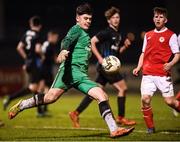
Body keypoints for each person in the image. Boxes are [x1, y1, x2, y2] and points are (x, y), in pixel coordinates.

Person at [8, 3, 134, 138]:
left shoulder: (85, 35)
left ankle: (22, 105)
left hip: (77, 75)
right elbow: (66, 40)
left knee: (51, 98)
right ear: (77, 18)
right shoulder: (76, 29)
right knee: (99, 96)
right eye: (85, 18)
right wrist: (63, 50)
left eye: (90, 19)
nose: (88, 21)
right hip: (70, 72)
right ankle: (114, 129)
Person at [69, 6, 136, 128]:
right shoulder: (106, 32)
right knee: (123, 88)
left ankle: (75, 113)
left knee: (95, 92)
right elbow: (92, 41)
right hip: (106, 67)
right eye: (113, 18)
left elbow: (116, 53)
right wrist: (100, 59)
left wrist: (125, 46)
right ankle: (120, 117)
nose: (116, 19)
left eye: (117, 17)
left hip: (109, 66)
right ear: (108, 20)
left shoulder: (118, 34)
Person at [133, 7, 180, 134]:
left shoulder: (171, 35)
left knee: (170, 102)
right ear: (153, 18)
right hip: (148, 74)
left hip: (162, 74)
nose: (157, 19)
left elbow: (177, 54)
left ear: (165, 20)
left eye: (160, 17)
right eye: (156, 16)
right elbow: (143, 53)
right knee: (145, 99)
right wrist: (138, 67)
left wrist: (170, 64)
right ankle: (151, 128)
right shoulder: (148, 35)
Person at [3, 16, 44, 116]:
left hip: (29, 62)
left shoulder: (26, 33)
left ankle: (39, 111)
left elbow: (19, 47)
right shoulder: (37, 35)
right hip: (35, 63)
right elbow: (38, 49)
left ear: (31, 24)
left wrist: (26, 58)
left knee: (36, 87)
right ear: (40, 25)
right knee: (33, 87)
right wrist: (42, 56)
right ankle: (10, 98)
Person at [38, 30, 59, 116]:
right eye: (56, 37)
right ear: (51, 37)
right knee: (43, 88)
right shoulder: (48, 45)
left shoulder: (50, 45)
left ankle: (43, 109)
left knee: (47, 88)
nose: (56, 39)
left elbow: (52, 57)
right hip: (44, 69)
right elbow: (41, 53)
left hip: (46, 68)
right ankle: (40, 110)